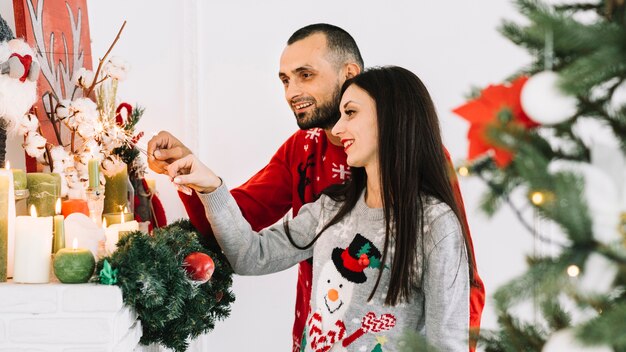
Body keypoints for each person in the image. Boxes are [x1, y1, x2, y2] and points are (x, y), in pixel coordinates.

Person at [148, 24, 484, 351]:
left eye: (305, 75)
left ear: (350, 75)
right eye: (285, 80)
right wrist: (203, 182)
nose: (292, 92)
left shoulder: (431, 202)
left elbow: (458, 290)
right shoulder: (312, 168)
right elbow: (247, 243)